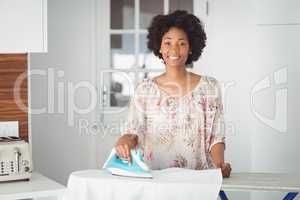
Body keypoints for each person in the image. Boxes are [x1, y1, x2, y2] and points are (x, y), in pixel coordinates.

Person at [114, 10, 231, 177]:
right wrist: (124, 141)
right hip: (155, 180)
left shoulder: (209, 87)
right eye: (168, 43)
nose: (174, 49)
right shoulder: (144, 90)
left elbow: (216, 136)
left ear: (191, 48)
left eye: (182, 43)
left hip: (197, 181)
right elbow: (134, 132)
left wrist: (220, 164)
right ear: (160, 47)